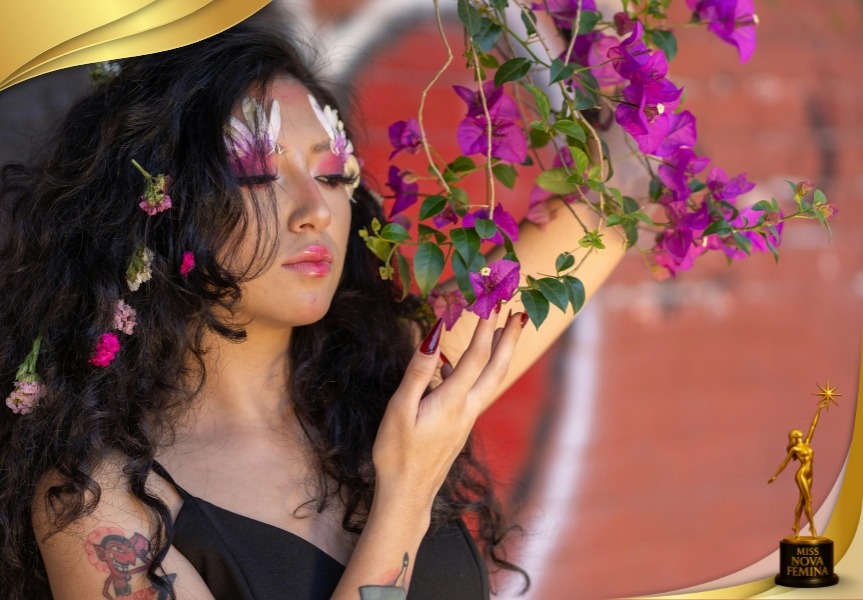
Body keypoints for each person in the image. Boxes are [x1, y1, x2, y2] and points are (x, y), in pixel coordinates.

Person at [0, 9, 624, 600]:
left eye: (330, 176)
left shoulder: (398, 383)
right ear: (161, 208)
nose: (316, 212)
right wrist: (406, 494)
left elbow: (621, 196)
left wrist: (534, 25)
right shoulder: (91, 500)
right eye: (256, 177)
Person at [768, 399, 832, 538]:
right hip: (802, 474)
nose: (801, 435)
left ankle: (796, 525)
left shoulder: (807, 443)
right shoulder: (795, 449)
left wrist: (819, 410)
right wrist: (775, 475)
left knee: (802, 501)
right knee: (809, 501)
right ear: (795, 437)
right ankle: (812, 528)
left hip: (810, 474)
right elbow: (784, 463)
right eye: (798, 435)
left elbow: (813, 426)